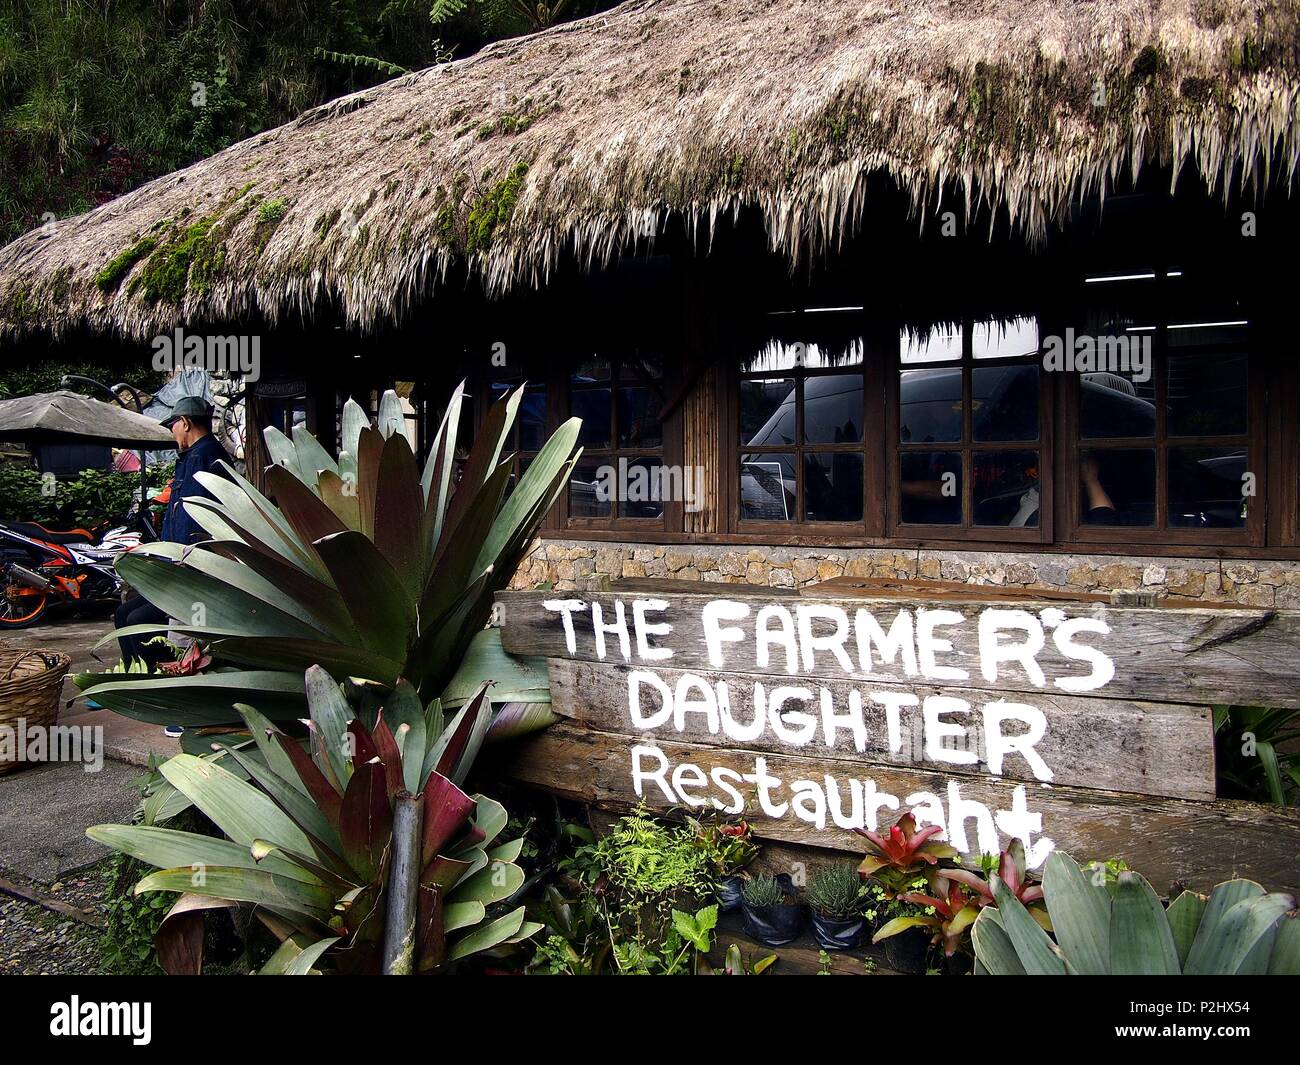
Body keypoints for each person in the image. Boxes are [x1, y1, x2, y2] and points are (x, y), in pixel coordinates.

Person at [116, 396, 232, 680]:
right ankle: (135, 681)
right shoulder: (195, 456)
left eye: (173, 426)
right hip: (175, 561)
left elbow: (193, 519)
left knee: (137, 621)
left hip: (189, 568)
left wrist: (176, 559)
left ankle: (164, 688)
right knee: (124, 616)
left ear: (185, 422)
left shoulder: (201, 457)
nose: (172, 433)